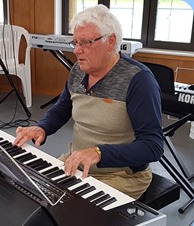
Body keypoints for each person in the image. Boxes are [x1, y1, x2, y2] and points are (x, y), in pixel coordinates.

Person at [13, 4, 164, 199]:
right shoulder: (78, 70)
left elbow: (153, 146)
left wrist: (99, 153)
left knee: (70, 216)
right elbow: (62, 109)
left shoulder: (139, 80)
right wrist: (42, 128)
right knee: (32, 194)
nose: (76, 50)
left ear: (110, 42)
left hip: (119, 176)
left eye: (85, 42)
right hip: (75, 162)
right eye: (75, 42)